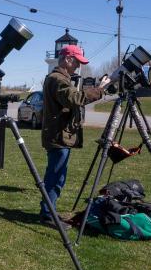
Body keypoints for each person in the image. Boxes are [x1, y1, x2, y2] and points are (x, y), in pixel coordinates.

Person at [39, 44, 109, 228]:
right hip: (57, 136)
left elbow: (73, 97)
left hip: (59, 135)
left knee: (57, 176)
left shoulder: (60, 78)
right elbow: (74, 99)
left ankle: (50, 211)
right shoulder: (57, 79)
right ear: (68, 59)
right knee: (55, 177)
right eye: (77, 62)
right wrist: (100, 89)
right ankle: (47, 214)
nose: (78, 65)